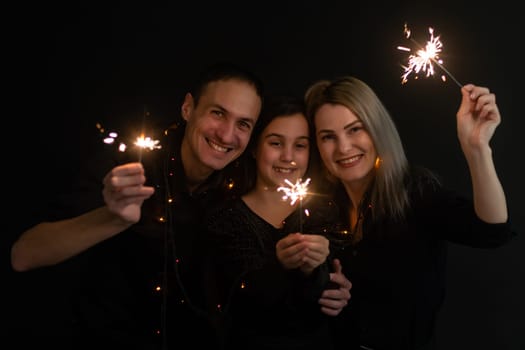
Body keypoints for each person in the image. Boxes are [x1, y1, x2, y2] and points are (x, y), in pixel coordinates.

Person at [10, 63, 352, 350]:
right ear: (188, 108)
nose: (227, 134)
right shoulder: (130, 166)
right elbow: (24, 255)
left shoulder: (234, 184)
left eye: (243, 124)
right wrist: (112, 218)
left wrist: (327, 284)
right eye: (218, 113)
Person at [303, 76, 517, 350]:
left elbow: (492, 233)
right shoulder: (320, 206)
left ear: (377, 130)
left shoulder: (416, 192)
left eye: (355, 129)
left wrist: (477, 149)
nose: (343, 147)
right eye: (328, 137)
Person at [204, 95, 351, 349]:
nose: (288, 156)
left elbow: (330, 297)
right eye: (275, 143)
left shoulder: (325, 211)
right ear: (253, 147)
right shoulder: (224, 217)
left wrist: (316, 272)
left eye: (300, 146)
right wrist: (277, 265)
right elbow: (229, 302)